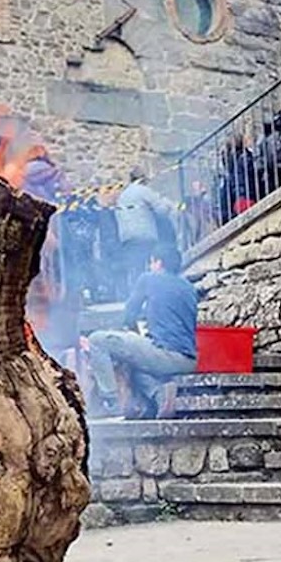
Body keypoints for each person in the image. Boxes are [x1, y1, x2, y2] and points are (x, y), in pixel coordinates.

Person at [87, 247, 200, 419]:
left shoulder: (149, 279)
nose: (150, 266)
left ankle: (111, 402)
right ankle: (159, 394)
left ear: (158, 262)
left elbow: (129, 315)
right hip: (189, 361)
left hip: (166, 355)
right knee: (135, 362)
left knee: (96, 340)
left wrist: (126, 330)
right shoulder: (189, 288)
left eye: (151, 262)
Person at [112, 171, 174, 303]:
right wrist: (168, 204)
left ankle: (136, 301)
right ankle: (152, 298)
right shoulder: (143, 191)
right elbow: (161, 210)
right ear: (142, 179)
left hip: (127, 237)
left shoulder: (123, 195)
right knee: (152, 266)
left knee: (135, 270)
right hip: (145, 234)